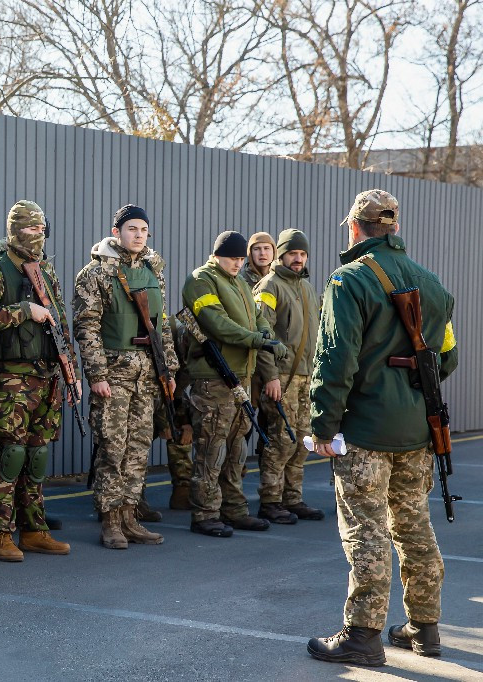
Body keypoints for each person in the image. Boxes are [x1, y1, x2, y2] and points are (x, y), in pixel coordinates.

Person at [307, 190, 458, 666]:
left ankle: (363, 636)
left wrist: (323, 426)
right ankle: (425, 627)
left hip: (364, 432)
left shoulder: (347, 280)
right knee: (414, 527)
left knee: (366, 533)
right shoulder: (432, 285)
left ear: (355, 228)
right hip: (417, 430)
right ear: (392, 227)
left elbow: (335, 359)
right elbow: (446, 358)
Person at [0, 200, 75, 562]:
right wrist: (23, 312)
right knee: (8, 457)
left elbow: (61, 325)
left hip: (46, 377)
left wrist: (71, 374)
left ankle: (34, 530)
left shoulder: (45, 270)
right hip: (8, 379)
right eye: (30, 230)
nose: (37, 236)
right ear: (14, 230)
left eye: (41, 230)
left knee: (36, 456)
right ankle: (1, 534)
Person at [73, 205, 177, 549]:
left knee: (137, 449)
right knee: (112, 449)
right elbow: (86, 327)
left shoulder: (153, 270)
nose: (138, 235)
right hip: (114, 377)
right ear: (116, 232)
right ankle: (111, 521)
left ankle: (131, 516)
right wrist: (97, 374)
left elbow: (161, 327)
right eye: (132, 229)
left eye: (144, 230)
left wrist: (169, 370)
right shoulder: (95, 273)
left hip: (147, 377)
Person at [180, 230, 287, 538]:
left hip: (240, 378)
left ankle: (234, 508)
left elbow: (258, 316)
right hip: (214, 379)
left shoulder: (240, 282)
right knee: (211, 449)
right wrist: (258, 341)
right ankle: (205, 513)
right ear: (217, 256)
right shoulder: (201, 280)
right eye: (232, 258)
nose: (238, 264)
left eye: (241, 259)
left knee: (236, 448)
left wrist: (265, 335)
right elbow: (217, 324)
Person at [252, 229, 324, 524]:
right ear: (281, 255)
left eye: (302, 254)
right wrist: (269, 377)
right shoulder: (269, 284)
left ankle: (292, 498)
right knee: (282, 441)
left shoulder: (306, 287)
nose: (298, 259)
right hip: (281, 377)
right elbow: (262, 333)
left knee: (303, 440)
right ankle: (270, 501)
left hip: (306, 377)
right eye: (293, 253)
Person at [150, 317, 194, 511]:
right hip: (146, 391)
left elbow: (183, 391)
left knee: (182, 432)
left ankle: (182, 493)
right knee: (136, 440)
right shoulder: (165, 333)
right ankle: (132, 499)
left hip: (172, 394)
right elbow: (154, 384)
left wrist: (187, 422)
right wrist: (162, 421)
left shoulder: (197, 351)